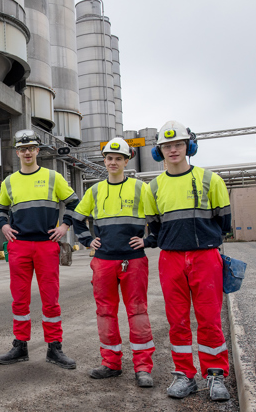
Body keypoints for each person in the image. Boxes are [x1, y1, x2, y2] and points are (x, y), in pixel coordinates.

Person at [144, 120, 232, 402]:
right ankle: (184, 375)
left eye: (178, 144)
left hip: (205, 256)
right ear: (159, 151)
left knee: (209, 319)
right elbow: (154, 226)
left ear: (189, 146)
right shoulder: (153, 187)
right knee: (177, 321)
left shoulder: (210, 180)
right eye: (166, 146)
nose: (173, 150)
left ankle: (216, 376)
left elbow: (224, 222)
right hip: (170, 258)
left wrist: (203, 243)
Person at [72, 137, 157, 388]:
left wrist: (149, 241)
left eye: (118, 159)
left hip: (133, 261)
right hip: (104, 261)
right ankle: (111, 363)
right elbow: (78, 219)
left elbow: (157, 219)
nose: (113, 162)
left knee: (138, 311)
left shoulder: (141, 188)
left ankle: (143, 367)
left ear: (126, 161)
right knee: (105, 312)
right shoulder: (95, 190)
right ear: (105, 161)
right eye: (109, 158)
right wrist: (89, 240)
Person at [0, 129, 80, 367]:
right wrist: (4, 226)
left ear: (37, 150)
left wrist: (64, 226)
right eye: (22, 149)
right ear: (17, 152)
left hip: (46, 245)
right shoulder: (9, 182)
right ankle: (20, 346)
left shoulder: (54, 177)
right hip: (19, 246)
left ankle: (55, 348)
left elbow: (74, 204)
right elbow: (0, 210)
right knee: (19, 299)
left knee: (50, 299)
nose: (27, 152)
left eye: (31, 148)